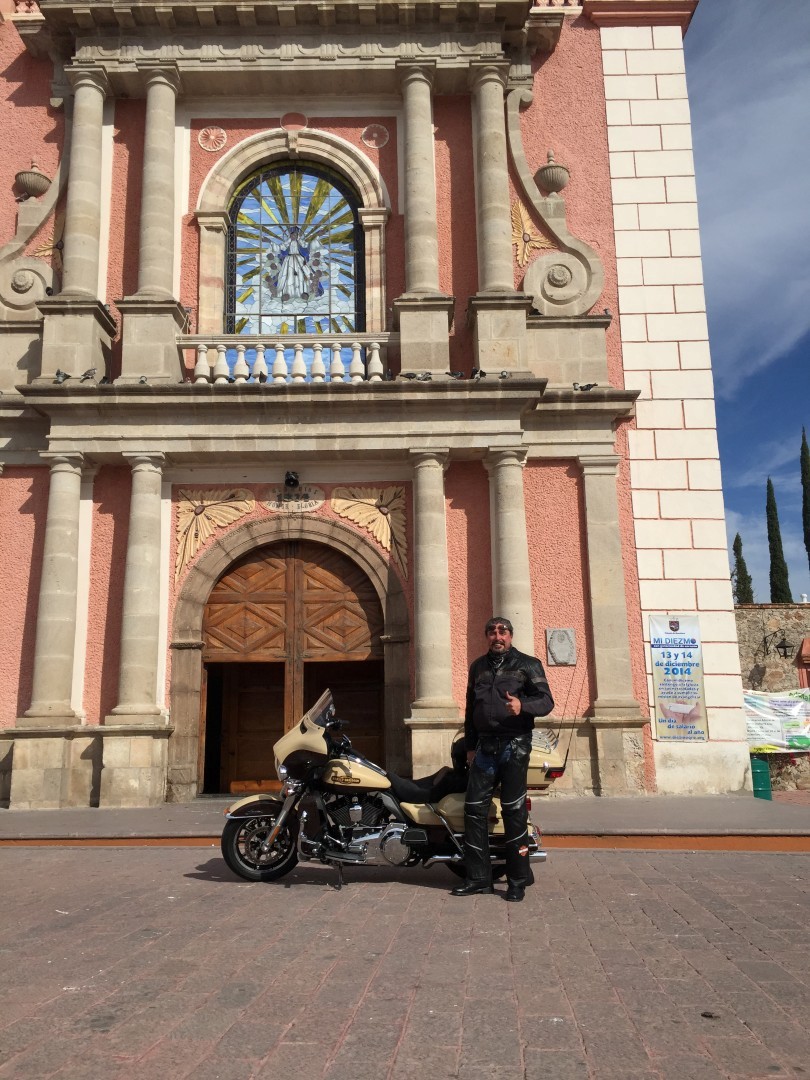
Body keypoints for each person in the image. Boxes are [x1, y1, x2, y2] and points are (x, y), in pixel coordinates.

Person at [452, 616, 554, 902]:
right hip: (484, 749)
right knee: (473, 810)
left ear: (510, 635)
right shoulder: (478, 667)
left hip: (515, 746)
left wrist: (523, 706)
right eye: (492, 632)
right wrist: (470, 747)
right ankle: (478, 879)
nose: (497, 636)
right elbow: (471, 708)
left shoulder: (527, 664)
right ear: (486, 636)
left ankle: (517, 881)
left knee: (513, 812)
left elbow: (546, 702)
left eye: (503, 631)